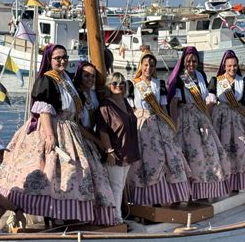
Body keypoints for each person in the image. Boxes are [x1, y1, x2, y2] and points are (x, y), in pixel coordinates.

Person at [0, 44, 101, 225]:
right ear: (49, 60)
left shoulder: (66, 78)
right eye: (57, 58)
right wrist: (50, 136)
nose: (62, 61)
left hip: (70, 129)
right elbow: (44, 110)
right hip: (52, 127)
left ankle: (65, 215)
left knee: (72, 173)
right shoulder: (47, 79)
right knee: (51, 171)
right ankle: (49, 217)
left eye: (64, 57)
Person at [128, 51, 191, 205]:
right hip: (140, 124)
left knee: (168, 156)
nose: (148, 68)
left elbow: (163, 106)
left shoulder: (159, 84)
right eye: (146, 65)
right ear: (141, 66)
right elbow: (129, 108)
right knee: (144, 160)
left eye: (152, 65)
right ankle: (144, 200)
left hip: (158, 122)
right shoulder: (133, 84)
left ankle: (166, 197)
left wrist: (169, 125)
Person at [167, 47, 230, 199]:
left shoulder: (201, 75)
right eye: (188, 60)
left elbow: (205, 98)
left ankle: (205, 192)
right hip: (185, 119)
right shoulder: (180, 79)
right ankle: (187, 194)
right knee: (191, 155)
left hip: (201, 118)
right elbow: (174, 103)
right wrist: (174, 125)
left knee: (208, 153)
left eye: (194, 60)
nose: (191, 63)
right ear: (183, 62)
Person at [208, 50, 245, 190]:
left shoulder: (242, 81)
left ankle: (237, 184)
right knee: (222, 149)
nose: (232, 68)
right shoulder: (217, 81)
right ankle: (221, 183)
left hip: (238, 119)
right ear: (224, 66)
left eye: (235, 65)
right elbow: (210, 102)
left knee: (241, 149)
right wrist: (208, 119)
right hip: (221, 119)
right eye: (229, 66)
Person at [72, 61, 116, 225]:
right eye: (86, 75)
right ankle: (82, 216)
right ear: (79, 76)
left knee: (99, 175)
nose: (90, 79)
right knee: (86, 174)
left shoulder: (96, 94)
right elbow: (77, 123)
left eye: (93, 76)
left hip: (93, 137)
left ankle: (101, 216)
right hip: (81, 138)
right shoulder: (76, 95)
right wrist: (98, 141)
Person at [97, 72, 140, 223]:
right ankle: (116, 219)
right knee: (115, 186)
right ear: (109, 86)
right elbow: (103, 130)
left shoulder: (125, 102)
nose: (119, 86)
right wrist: (109, 151)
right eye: (115, 83)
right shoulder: (105, 106)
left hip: (128, 150)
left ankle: (117, 216)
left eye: (122, 83)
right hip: (115, 152)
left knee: (120, 186)